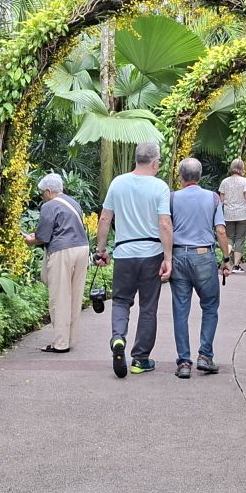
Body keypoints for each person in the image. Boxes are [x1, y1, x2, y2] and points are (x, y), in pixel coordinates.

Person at [93, 142, 173, 378]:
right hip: (151, 254)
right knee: (148, 307)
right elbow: (164, 224)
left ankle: (118, 338)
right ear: (155, 163)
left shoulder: (118, 183)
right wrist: (168, 257)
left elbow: (105, 218)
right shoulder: (160, 187)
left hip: (124, 254)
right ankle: (140, 359)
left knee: (121, 301)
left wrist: (101, 250)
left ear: (137, 159)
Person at [168, 158, 232, 378]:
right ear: (200, 176)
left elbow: (166, 227)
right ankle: (205, 356)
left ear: (180, 177)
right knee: (210, 306)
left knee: (180, 310)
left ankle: (184, 363)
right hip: (204, 256)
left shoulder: (172, 198)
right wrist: (226, 259)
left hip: (178, 255)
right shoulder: (212, 198)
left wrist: (166, 257)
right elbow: (221, 230)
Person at [22, 173, 89, 353]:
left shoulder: (49, 206)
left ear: (48, 191)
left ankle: (60, 343)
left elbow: (43, 236)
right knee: (75, 295)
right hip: (82, 249)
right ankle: (70, 339)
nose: (42, 197)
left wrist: (30, 240)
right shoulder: (73, 202)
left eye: (42, 193)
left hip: (63, 251)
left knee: (60, 296)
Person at [216, 159, 246, 273]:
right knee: (240, 239)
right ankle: (236, 266)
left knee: (229, 238)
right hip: (242, 214)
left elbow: (221, 201)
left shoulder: (225, 182)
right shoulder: (245, 181)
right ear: (242, 168)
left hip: (228, 214)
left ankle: (225, 260)